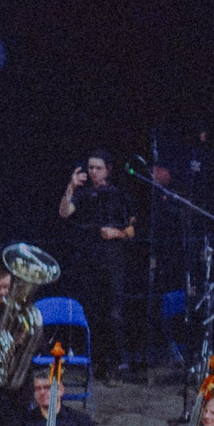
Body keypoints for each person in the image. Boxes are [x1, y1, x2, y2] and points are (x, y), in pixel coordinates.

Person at [58, 151, 139, 372]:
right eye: (90, 167)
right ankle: (96, 362)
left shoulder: (119, 195)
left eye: (98, 168)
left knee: (114, 313)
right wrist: (71, 187)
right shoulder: (83, 194)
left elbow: (133, 230)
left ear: (108, 169)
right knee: (92, 311)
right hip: (89, 259)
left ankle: (117, 362)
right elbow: (64, 212)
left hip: (113, 260)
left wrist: (116, 234)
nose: (93, 172)